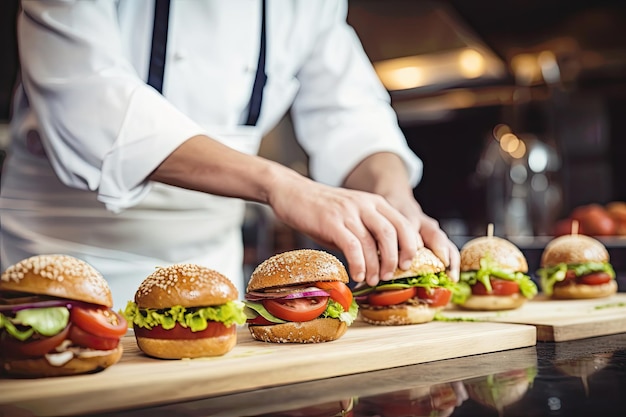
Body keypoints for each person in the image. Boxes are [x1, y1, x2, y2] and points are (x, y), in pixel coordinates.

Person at [0, 0, 459, 309]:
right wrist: (279, 184)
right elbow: (87, 101)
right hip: (60, 254)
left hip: (210, 269)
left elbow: (353, 112)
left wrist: (394, 200)